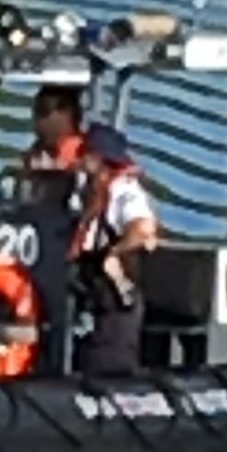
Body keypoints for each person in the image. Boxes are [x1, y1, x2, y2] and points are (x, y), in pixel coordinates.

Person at [74, 125, 159, 378]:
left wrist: (114, 253)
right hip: (92, 297)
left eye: (86, 153)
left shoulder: (125, 192)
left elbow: (143, 229)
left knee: (108, 368)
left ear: (98, 158)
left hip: (116, 301)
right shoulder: (89, 191)